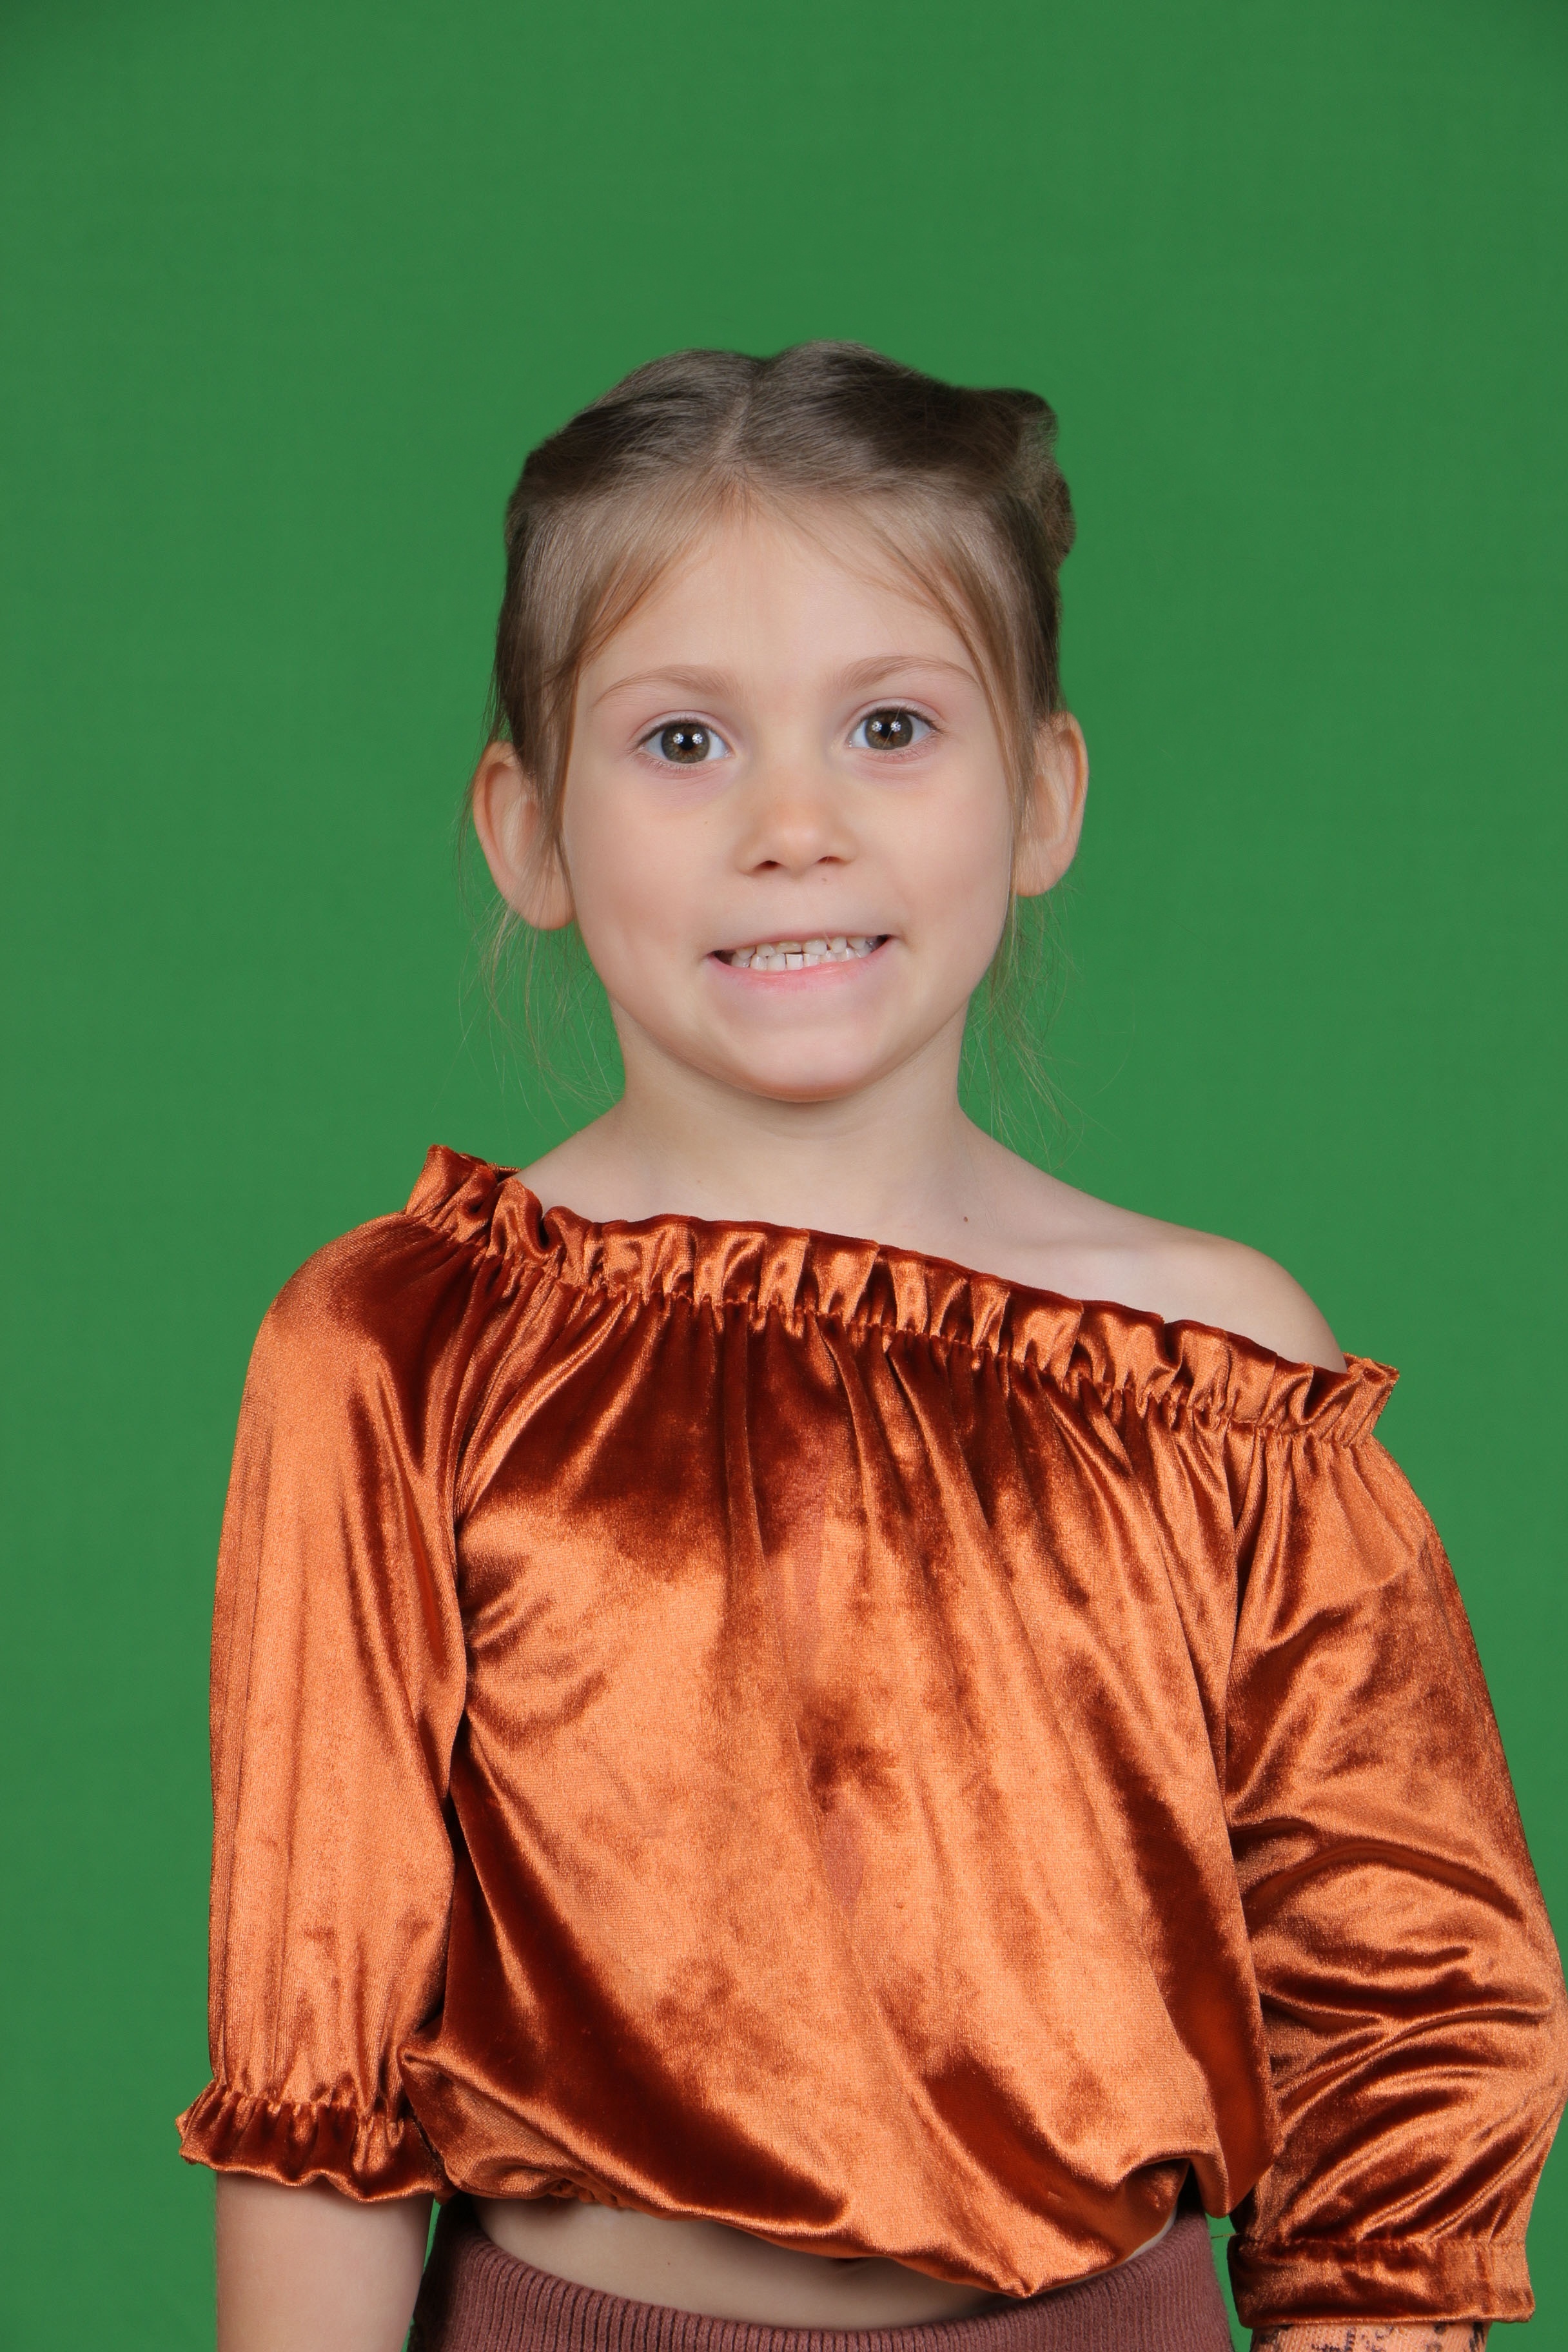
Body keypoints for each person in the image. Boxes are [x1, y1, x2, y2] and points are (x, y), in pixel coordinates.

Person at [179, 344, 1567, 2352]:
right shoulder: (401, 1348)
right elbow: (320, 2066)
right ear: (529, 831)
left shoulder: (1215, 1370)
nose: (794, 826)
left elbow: (1397, 2003)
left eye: (891, 726)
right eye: (682, 742)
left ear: (1043, 797)